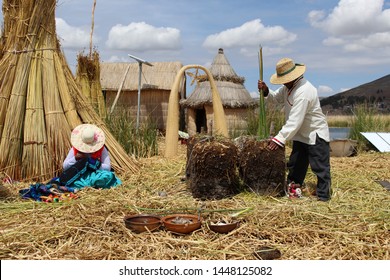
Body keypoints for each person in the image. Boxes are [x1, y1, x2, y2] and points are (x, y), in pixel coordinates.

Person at [258, 57, 331, 201]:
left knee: (320, 167)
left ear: (294, 76)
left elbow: (295, 120)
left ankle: (323, 198)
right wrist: (266, 91)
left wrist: (279, 139)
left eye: (285, 79)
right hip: (300, 134)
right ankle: (293, 190)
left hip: (314, 134)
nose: (283, 82)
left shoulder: (304, 91)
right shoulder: (288, 87)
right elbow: (276, 98)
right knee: (296, 164)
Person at [57, 123, 121, 190]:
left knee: (108, 176)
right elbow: (65, 166)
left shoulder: (102, 149)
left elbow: (107, 167)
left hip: (96, 175)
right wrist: (75, 158)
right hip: (81, 176)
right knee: (75, 182)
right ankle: (91, 185)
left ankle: (89, 184)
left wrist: (92, 163)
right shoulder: (75, 149)